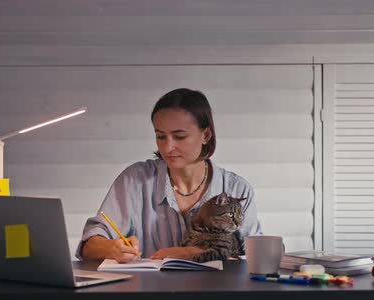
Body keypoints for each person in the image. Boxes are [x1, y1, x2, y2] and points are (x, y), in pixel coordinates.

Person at [76, 88, 262, 262]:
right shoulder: (135, 180)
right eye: (161, 136)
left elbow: (255, 257)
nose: (167, 147)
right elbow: (89, 246)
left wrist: (190, 253)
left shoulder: (236, 188)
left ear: (206, 135)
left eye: (179, 136)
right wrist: (110, 248)